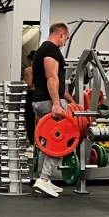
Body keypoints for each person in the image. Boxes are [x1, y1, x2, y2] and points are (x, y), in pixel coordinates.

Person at [31, 22, 76, 198]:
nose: (65, 42)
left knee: (47, 141)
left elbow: (55, 81)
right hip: (49, 102)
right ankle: (44, 178)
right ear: (61, 34)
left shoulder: (42, 49)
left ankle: (43, 179)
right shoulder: (52, 50)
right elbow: (51, 77)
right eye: (66, 38)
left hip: (39, 101)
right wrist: (56, 103)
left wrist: (70, 100)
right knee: (61, 140)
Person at [23, 50, 36, 154]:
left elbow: (29, 83)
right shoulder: (43, 69)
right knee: (39, 120)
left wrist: (23, 82)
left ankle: (32, 144)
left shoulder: (29, 70)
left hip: (31, 94)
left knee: (30, 119)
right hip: (41, 95)